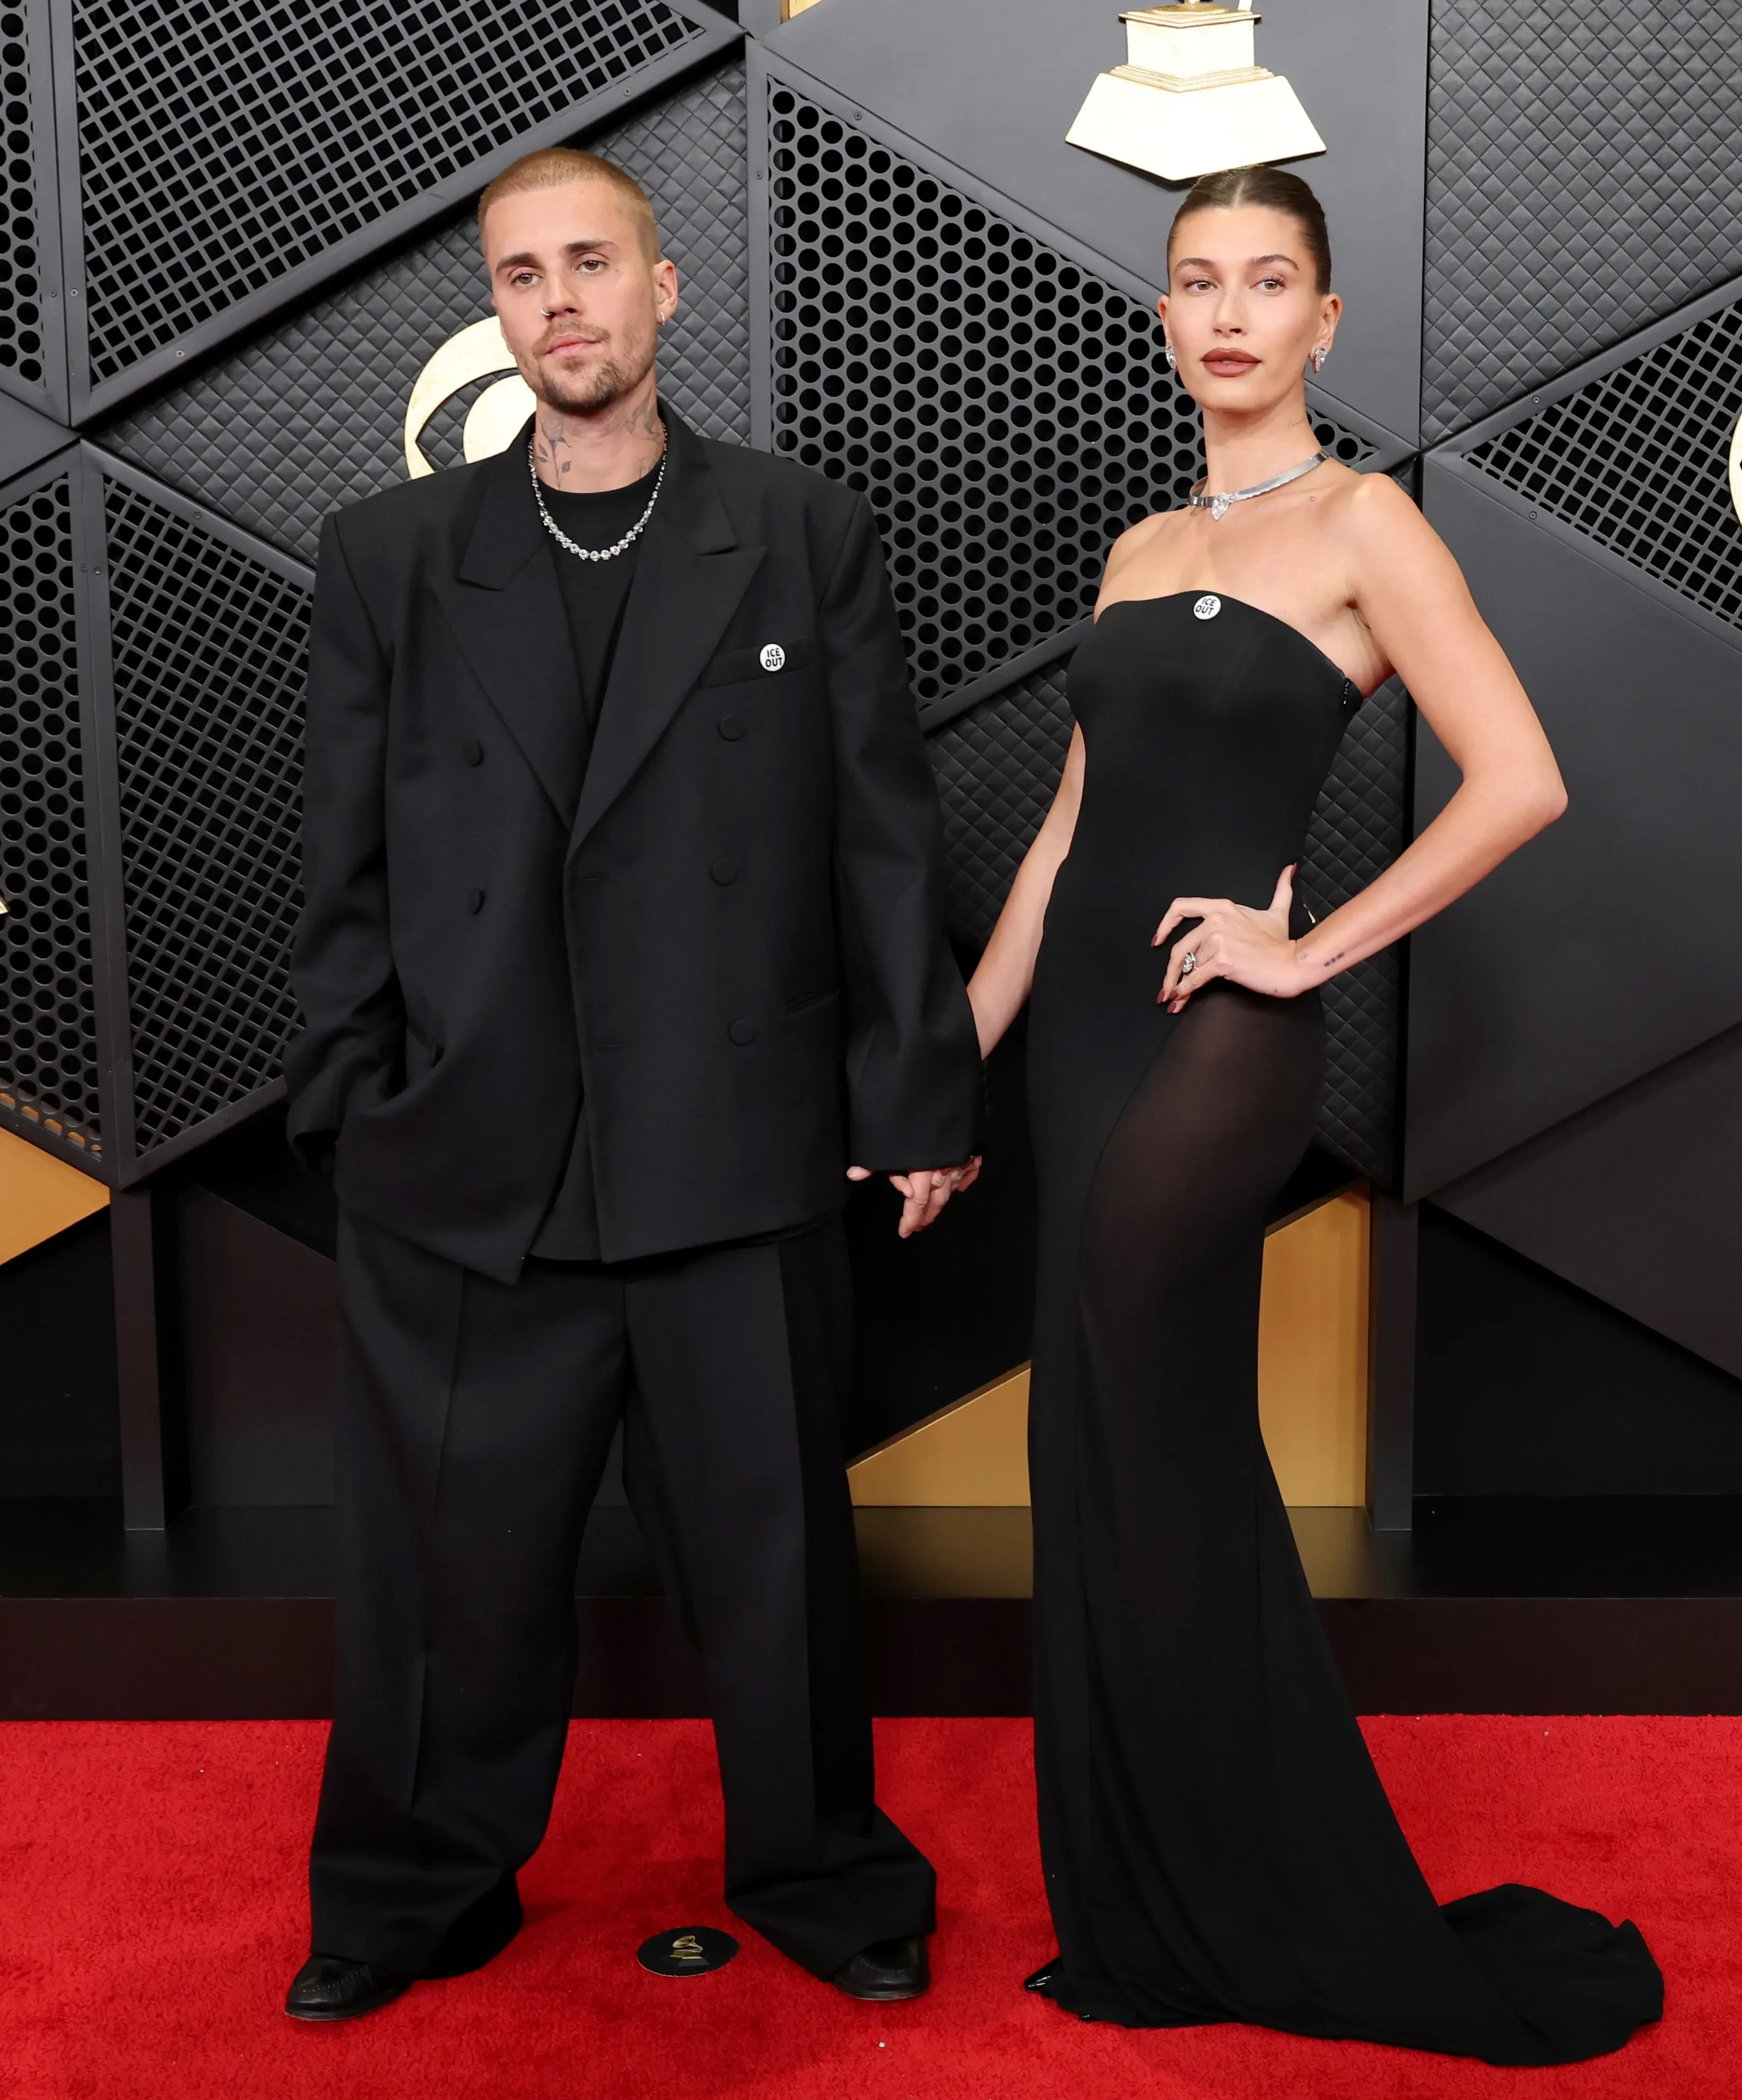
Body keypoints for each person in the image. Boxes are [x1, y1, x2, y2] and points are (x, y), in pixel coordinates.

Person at [966, 165, 1662, 2062]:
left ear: (1322, 320)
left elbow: (1518, 778)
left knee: (1148, 1427)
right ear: (1165, 313)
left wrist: (1306, 951)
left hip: (1214, 1036)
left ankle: (1252, 1897)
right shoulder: (1134, 547)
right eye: (1196, 281)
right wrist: (952, 1055)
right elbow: (1064, 836)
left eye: (1266, 281)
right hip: (1077, 1031)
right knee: (1092, 1439)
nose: (1226, 312)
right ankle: (1157, 1896)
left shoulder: (1366, 521)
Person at [280, 147, 981, 2021]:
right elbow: (341, 859)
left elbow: (881, 838)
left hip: (729, 1142)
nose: (559, 302)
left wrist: (916, 1091)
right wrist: (354, 1099)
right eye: (523, 275)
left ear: (664, 288)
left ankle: (824, 1875)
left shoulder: (800, 530)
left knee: (776, 1561)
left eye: (591, 263)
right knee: (446, 1575)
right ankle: (409, 1892)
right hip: (469, 1158)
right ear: (497, 312)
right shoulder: (391, 556)